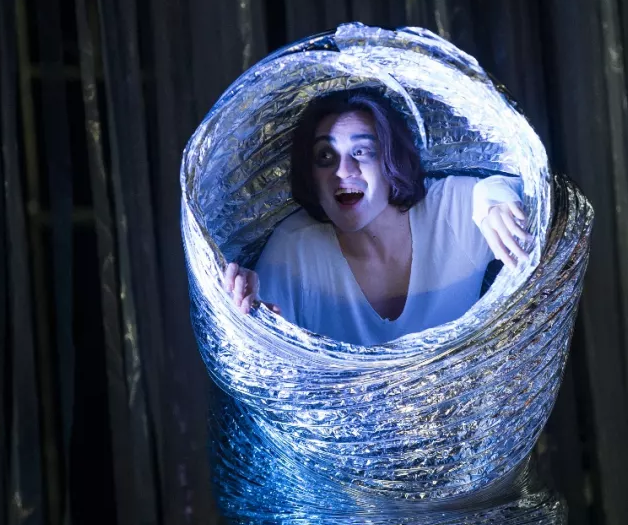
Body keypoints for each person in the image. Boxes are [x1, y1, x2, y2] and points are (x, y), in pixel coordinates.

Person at [223, 89, 531, 346]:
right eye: (325, 156)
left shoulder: (450, 212)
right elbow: (259, 353)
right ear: (312, 176)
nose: (343, 171)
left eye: (361, 151)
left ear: (391, 159)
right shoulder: (294, 249)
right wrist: (246, 313)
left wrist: (495, 198)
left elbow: (523, 188)